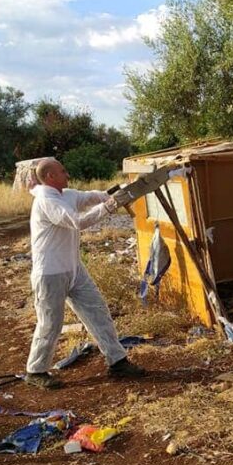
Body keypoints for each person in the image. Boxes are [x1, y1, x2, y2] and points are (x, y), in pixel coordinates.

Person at [24, 158, 146, 389]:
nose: (67, 173)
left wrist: (119, 192)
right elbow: (78, 221)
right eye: (62, 171)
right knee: (50, 323)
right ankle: (36, 370)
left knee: (97, 311)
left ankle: (117, 361)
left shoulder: (65, 194)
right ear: (50, 176)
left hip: (74, 269)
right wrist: (109, 207)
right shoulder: (47, 201)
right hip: (50, 273)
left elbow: (90, 196)